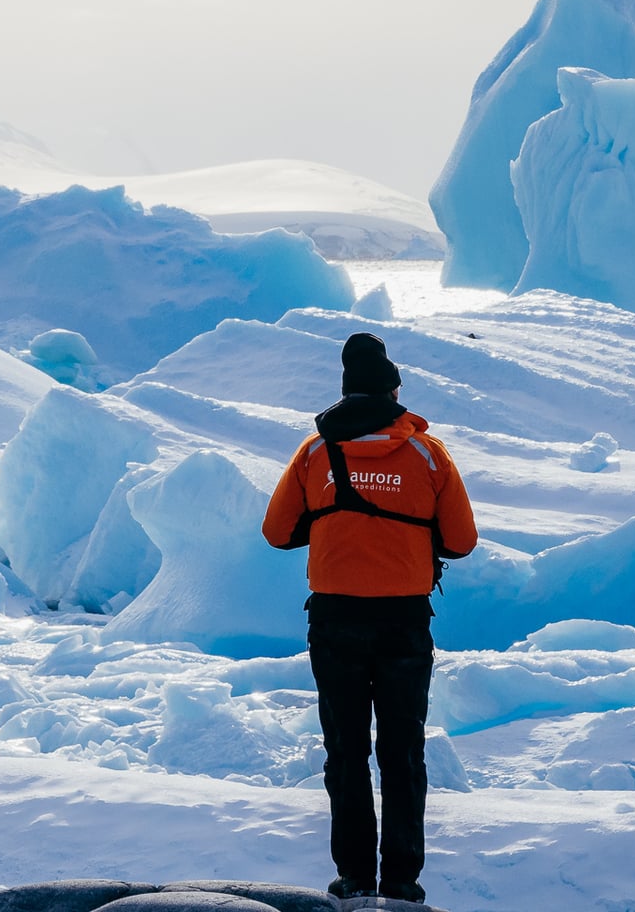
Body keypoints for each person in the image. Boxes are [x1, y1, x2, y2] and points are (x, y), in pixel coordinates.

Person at [260, 332, 478, 905]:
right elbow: (462, 541)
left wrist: (332, 518)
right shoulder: (428, 454)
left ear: (345, 392)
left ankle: (355, 876)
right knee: (403, 748)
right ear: (393, 389)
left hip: (334, 618)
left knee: (346, 748)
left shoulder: (314, 453)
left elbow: (277, 533)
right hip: (404, 619)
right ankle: (402, 881)